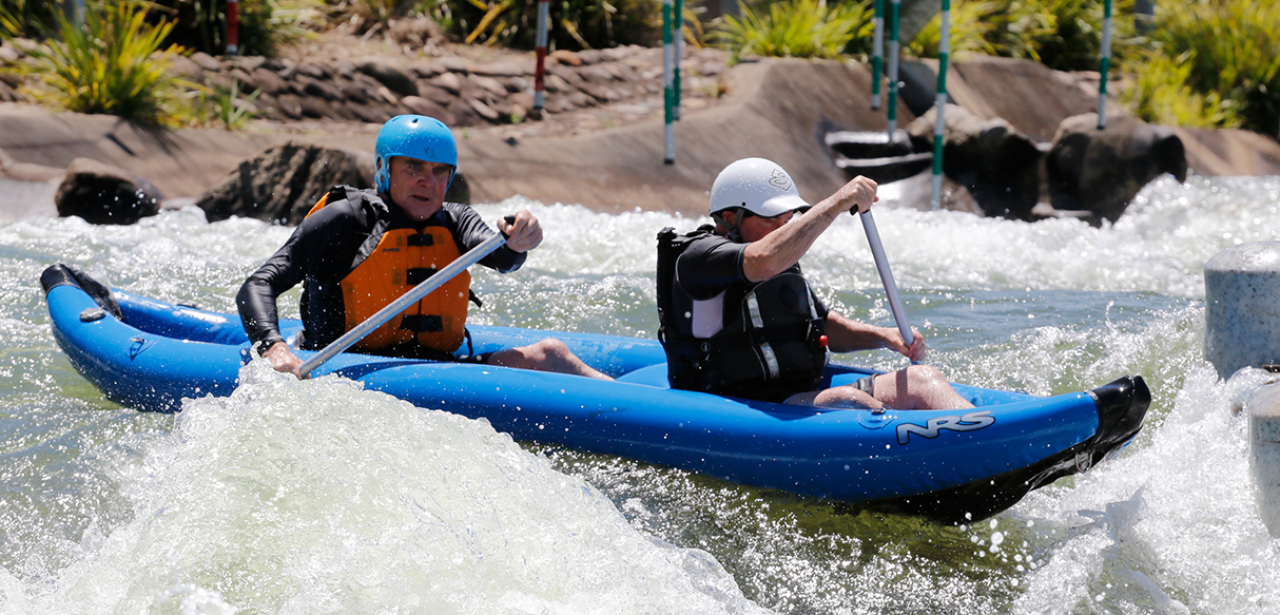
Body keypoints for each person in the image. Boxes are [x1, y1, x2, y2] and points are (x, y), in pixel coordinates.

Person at [238, 114, 609, 380]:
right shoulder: (345, 219)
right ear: (384, 170)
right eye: (413, 168)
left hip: (437, 370)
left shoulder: (456, 220)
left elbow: (504, 256)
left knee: (551, 354)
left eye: (439, 172)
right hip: (341, 367)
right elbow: (258, 284)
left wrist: (519, 237)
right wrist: (273, 347)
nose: (427, 182)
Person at [655, 157, 972, 410]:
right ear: (729, 217)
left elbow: (820, 327)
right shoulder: (699, 257)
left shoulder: (779, 255)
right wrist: (838, 201)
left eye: (787, 219)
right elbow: (762, 259)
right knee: (851, 402)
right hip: (741, 402)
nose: (782, 228)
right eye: (770, 219)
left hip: (801, 393)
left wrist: (885, 336)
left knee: (924, 379)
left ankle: (979, 438)